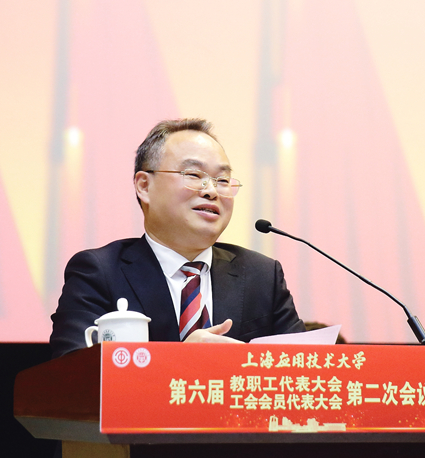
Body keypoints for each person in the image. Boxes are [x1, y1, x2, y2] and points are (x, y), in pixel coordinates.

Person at [49, 118, 305, 358]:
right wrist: (182, 361)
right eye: (194, 175)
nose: (211, 190)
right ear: (144, 186)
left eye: (222, 180)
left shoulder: (262, 276)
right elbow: (71, 374)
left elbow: (302, 370)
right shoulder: (99, 273)